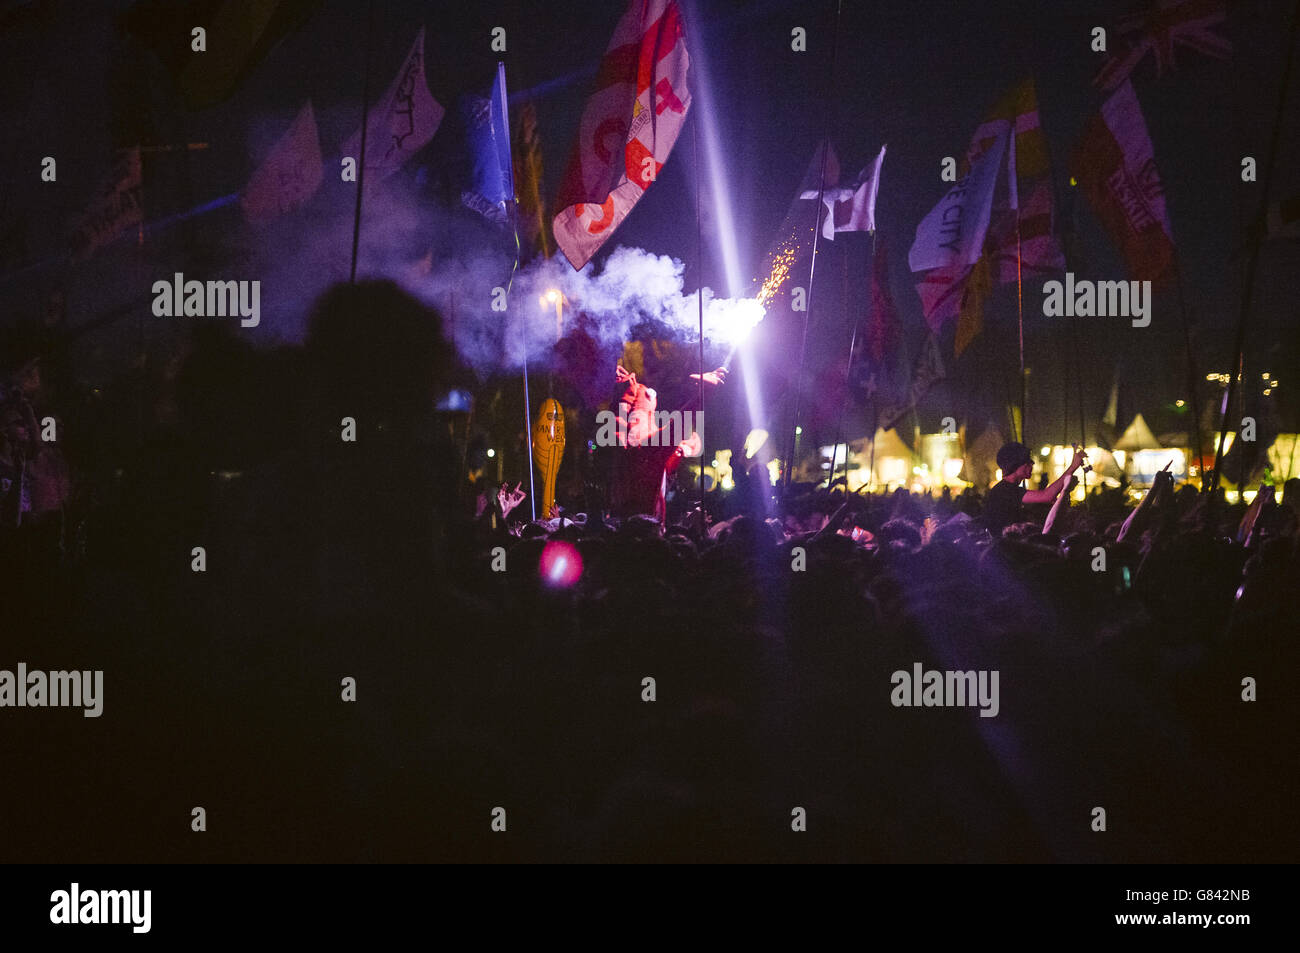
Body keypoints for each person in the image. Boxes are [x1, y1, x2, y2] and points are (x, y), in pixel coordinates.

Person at [983, 441, 1085, 537]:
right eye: (1028, 461)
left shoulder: (1006, 489)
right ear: (1015, 464)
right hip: (1006, 551)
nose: (1032, 464)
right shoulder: (1005, 491)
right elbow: (1047, 496)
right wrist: (1072, 467)